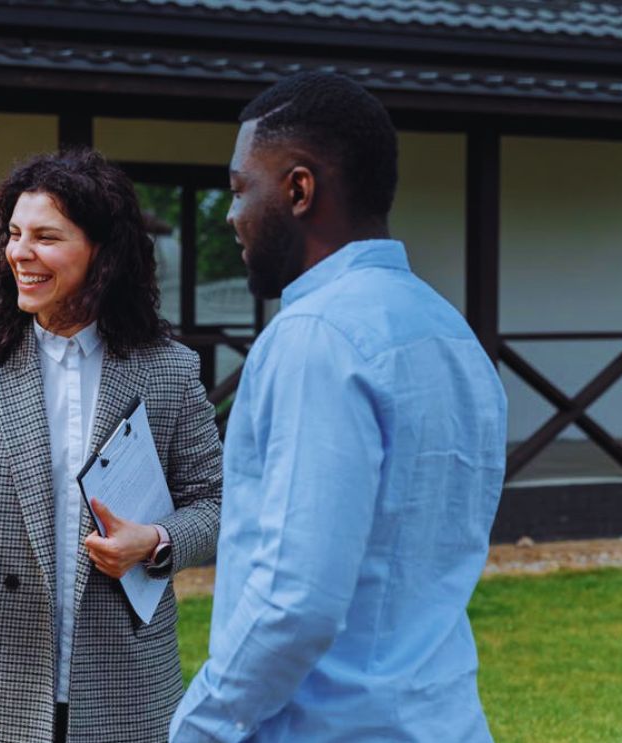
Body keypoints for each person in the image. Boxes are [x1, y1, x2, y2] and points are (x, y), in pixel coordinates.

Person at [169, 71, 509, 743]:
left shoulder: (313, 338)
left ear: (299, 189)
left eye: (240, 189)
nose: (230, 215)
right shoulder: (447, 330)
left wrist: (200, 725)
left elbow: (294, 600)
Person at [0, 149, 223, 743]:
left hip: (125, 676)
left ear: (103, 251)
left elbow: (217, 502)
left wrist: (153, 541)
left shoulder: (170, 370)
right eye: (14, 234)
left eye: (46, 237)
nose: (20, 252)